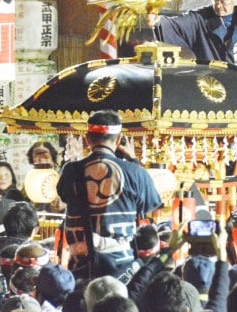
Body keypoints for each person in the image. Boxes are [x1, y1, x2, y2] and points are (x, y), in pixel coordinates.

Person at [56, 109, 163, 276]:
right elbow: (150, 204)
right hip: (121, 267)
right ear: (119, 139)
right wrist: (133, 160)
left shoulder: (70, 170)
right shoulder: (135, 172)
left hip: (81, 265)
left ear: (87, 138)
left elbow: (64, 196)